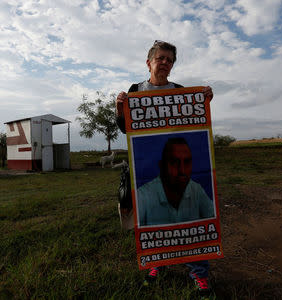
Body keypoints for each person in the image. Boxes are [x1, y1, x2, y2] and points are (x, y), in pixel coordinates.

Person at [115, 40, 214, 295]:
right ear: (149, 62)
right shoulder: (135, 90)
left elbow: (194, 125)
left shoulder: (180, 91)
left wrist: (204, 100)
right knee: (151, 223)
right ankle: (155, 264)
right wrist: (119, 107)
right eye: (161, 58)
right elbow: (126, 128)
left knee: (192, 221)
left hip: (175, 166)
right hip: (146, 168)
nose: (165, 63)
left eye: (170, 60)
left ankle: (198, 272)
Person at [138, 137, 214, 226]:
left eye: (187, 162)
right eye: (174, 162)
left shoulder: (196, 190)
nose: (182, 170)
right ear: (162, 166)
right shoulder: (143, 195)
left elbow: (212, 220)